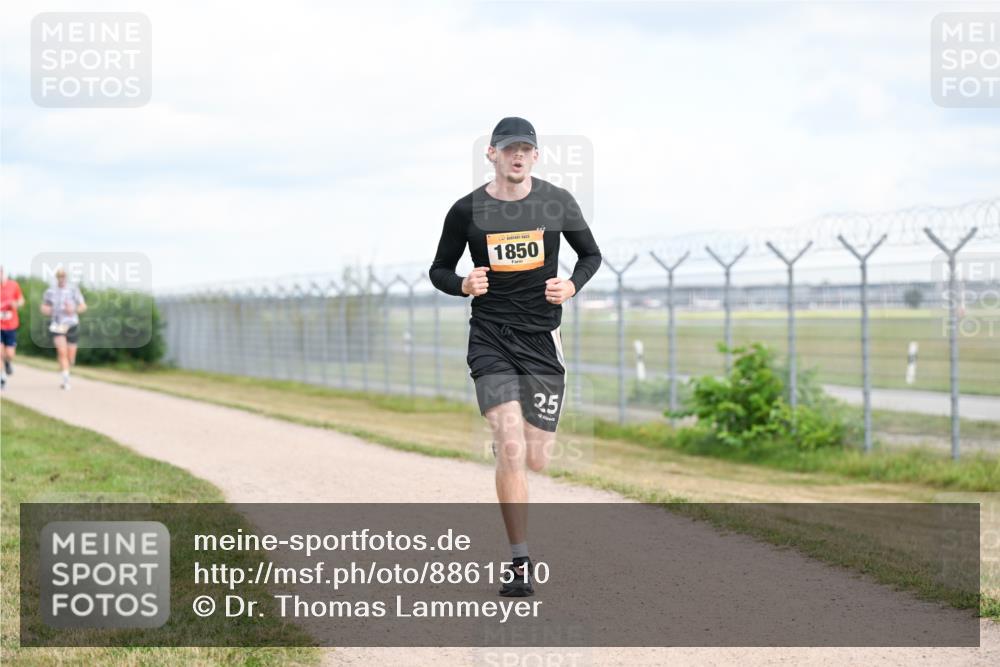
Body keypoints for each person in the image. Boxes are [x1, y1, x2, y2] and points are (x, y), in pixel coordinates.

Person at [429, 117, 602, 597]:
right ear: (492, 154)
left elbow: (590, 255)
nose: (517, 156)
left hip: (542, 343)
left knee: (538, 459)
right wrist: (462, 283)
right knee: (508, 442)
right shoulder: (466, 211)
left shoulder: (556, 202)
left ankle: (518, 450)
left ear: (536, 156)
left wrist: (571, 285)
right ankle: (520, 561)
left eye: (525, 149)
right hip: (490, 337)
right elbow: (439, 269)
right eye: (509, 149)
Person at [40, 268, 87, 390]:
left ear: (66, 278)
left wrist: (73, 309)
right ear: (57, 278)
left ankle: (68, 365)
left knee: (70, 357)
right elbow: (44, 306)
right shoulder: (50, 291)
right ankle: (66, 380)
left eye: (63, 276)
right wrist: (47, 310)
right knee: (62, 352)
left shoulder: (73, 290)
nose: (61, 278)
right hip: (57, 324)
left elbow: (83, 306)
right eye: (59, 276)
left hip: (71, 324)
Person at [1, 267, 25, 389]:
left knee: (9, 354)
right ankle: (2, 379)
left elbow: (21, 300)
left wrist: (16, 304)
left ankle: (7, 362)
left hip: (11, 325)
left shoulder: (13, 285)